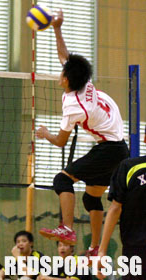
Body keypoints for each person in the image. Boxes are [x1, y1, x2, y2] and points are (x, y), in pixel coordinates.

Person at [36, 10, 129, 254]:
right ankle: (96, 247)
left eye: (62, 72)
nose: (61, 72)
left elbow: (60, 141)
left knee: (62, 180)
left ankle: (66, 228)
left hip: (109, 149)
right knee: (90, 198)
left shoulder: (74, 106)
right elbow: (65, 57)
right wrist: (57, 28)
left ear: (66, 79)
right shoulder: (84, 82)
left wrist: (44, 133)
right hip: (118, 147)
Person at [94, 155, 146, 279]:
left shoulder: (128, 166)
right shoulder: (129, 167)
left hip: (134, 250)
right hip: (134, 251)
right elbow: (115, 208)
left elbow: (115, 208)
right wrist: (102, 251)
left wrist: (102, 251)